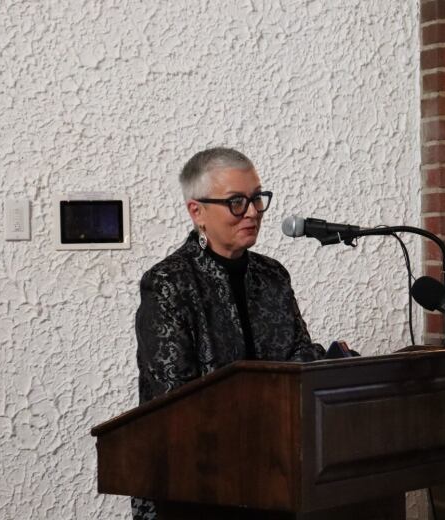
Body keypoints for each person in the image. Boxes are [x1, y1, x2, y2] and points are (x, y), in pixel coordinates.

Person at [132, 147, 325, 520]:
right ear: (196, 212)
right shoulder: (168, 284)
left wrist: (324, 358)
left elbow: (298, 356)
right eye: (237, 201)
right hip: (196, 484)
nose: (252, 212)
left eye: (256, 198)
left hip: (275, 473)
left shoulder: (272, 276)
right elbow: (176, 398)